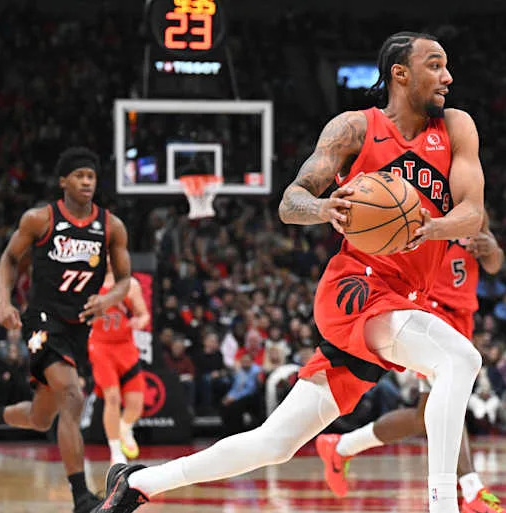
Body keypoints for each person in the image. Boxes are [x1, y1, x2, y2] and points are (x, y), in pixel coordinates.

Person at [93, 31, 485, 513]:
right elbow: (290, 201)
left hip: (403, 296)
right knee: (459, 359)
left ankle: (139, 483)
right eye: (435, 65)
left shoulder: (456, 128)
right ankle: (444, 505)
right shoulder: (354, 129)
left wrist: (433, 227)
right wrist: (325, 209)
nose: (448, 76)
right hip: (355, 285)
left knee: (275, 442)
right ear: (400, 74)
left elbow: (474, 214)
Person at [0, 147, 132, 513]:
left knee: (43, 417)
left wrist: (108, 300)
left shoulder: (110, 226)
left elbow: (124, 280)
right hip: (41, 321)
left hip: (79, 328)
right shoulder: (40, 219)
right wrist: (4, 302)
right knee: (72, 395)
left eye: (91, 176)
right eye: (79, 176)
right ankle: (81, 498)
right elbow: (9, 259)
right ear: (63, 182)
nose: (87, 182)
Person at [315, 219, 506, 513]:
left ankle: (341, 446)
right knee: (450, 405)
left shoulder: (471, 203)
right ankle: (472, 491)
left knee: (425, 417)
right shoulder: (419, 204)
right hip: (430, 314)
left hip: (462, 316)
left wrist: (491, 248)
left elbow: (495, 265)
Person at [88, 264, 150, 466]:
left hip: (125, 346)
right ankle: (115, 452)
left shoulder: (130, 284)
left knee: (136, 405)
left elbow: (143, 314)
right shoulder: (88, 283)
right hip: (100, 346)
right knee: (112, 397)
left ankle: (124, 427)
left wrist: (140, 322)